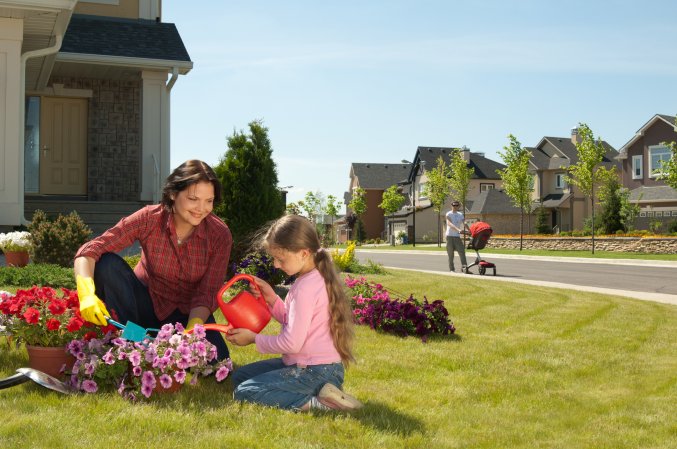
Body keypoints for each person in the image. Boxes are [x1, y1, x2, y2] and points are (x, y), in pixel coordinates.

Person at [73, 160, 232, 360]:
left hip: (188, 314)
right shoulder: (150, 218)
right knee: (107, 264)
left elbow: (207, 292)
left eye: (209, 200)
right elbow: (91, 249)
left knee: (217, 362)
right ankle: (134, 341)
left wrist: (192, 331)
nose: (201, 208)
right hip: (144, 305)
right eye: (193, 199)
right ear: (174, 194)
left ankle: (160, 346)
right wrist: (86, 294)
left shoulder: (219, 235)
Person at [225, 215, 362, 411]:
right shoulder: (310, 278)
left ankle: (320, 404)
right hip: (315, 367)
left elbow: (291, 343)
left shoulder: (306, 287)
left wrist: (254, 339)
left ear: (304, 253)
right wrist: (271, 297)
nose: (275, 265)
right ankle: (322, 390)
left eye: (280, 259)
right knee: (240, 377)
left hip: (315, 370)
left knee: (245, 391)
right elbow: (293, 320)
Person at [445, 200, 469, 273]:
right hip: (449, 236)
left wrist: (469, 230)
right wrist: (458, 229)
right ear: (451, 206)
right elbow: (449, 223)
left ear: (459, 206)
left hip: (457, 236)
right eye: (453, 205)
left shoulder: (460, 214)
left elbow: (464, 222)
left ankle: (465, 269)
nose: (455, 207)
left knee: (462, 252)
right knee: (450, 254)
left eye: (456, 205)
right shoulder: (448, 214)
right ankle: (452, 269)